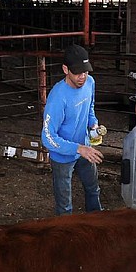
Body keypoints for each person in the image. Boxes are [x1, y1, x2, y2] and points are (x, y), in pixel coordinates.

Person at [41, 44, 104, 215]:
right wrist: (78, 148)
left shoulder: (90, 83)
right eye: (77, 72)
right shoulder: (58, 98)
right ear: (65, 69)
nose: (82, 77)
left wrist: (94, 124)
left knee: (93, 189)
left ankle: (97, 219)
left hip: (84, 147)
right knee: (65, 205)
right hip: (63, 156)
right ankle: (66, 235)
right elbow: (47, 137)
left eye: (86, 71)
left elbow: (90, 108)